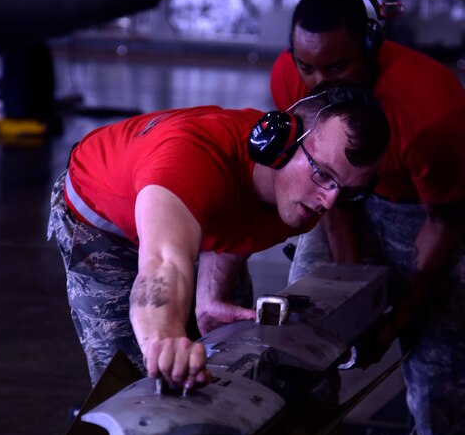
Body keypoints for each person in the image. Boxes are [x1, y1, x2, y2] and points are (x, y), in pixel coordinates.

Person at [271, 0, 465, 435]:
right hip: (350, 194)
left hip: (436, 210)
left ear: (371, 48)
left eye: (337, 67)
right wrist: (356, 298)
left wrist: (394, 320)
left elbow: (443, 221)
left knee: (443, 373)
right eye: (307, 66)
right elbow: (330, 192)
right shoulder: (292, 83)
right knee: (303, 334)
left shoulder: (428, 110)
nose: (317, 84)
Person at [48, 81, 390, 390]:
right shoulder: (192, 161)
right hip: (103, 223)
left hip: (192, 211)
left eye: (345, 190)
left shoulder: (303, 193)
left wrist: (209, 296)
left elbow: (239, 223)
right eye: (323, 174)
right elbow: (163, 262)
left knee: (234, 364)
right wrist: (163, 338)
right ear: (279, 145)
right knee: (137, 383)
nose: (330, 201)